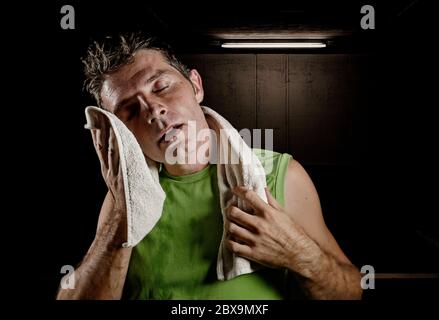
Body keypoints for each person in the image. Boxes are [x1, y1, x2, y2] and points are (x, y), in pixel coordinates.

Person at [57, 34, 362, 300]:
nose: (153, 110)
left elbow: (351, 291)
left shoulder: (280, 175)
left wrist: (298, 253)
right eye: (130, 110)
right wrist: (122, 217)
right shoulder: (125, 196)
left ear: (196, 86)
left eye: (161, 87)